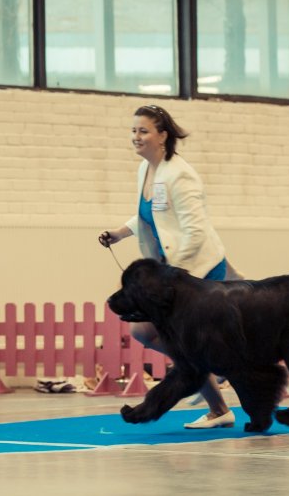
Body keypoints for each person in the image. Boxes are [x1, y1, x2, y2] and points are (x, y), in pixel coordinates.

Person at [98, 104, 235, 429]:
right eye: (133, 131)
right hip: (171, 275)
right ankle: (218, 405)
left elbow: (196, 231)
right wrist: (120, 233)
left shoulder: (179, 174)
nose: (136, 137)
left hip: (197, 272)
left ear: (162, 135)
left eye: (143, 131)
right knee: (164, 338)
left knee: (147, 331)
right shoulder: (148, 171)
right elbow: (153, 213)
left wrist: (173, 276)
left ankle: (214, 379)